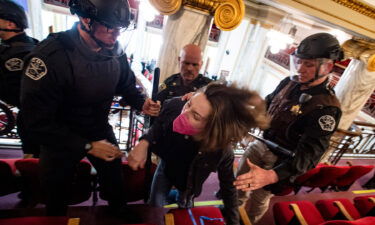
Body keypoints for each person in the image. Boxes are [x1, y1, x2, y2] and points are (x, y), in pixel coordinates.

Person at [20, 0, 160, 216]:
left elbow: (125, 84)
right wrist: (87, 146)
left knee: (116, 185)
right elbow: (36, 122)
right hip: (59, 137)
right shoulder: (50, 58)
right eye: (110, 27)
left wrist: (142, 102)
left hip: (97, 128)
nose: (116, 35)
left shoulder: (114, 49)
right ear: (86, 19)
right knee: (56, 197)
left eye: (119, 28)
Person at [234, 33, 343, 224]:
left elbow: (309, 155)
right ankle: (231, 212)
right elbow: (267, 104)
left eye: (309, 64)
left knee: (259, 199)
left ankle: (246, 221)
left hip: (279, 160)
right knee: (239, 185)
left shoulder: (326, 107)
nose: (300, 68)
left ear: (327, 66)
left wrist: (271, 175)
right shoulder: (288, 82)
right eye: (299, 62)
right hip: (260, 144)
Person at [128, 82, 269, 225]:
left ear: (212, 128)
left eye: (195, 116)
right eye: (189, 104)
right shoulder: (175, 106)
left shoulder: (222, 152)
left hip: (190, 184)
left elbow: (228, 187)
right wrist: (144, 143)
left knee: (184, 210)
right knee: (155, 205)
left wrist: (233, 221)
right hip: (167, 167)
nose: (183, 114)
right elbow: (158, 126)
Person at [0, 0, 39, 157]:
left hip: (33, 118)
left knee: (33, 159)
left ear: (10, 24)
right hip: (31, 116)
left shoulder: (15, 53)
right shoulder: (36, 45)